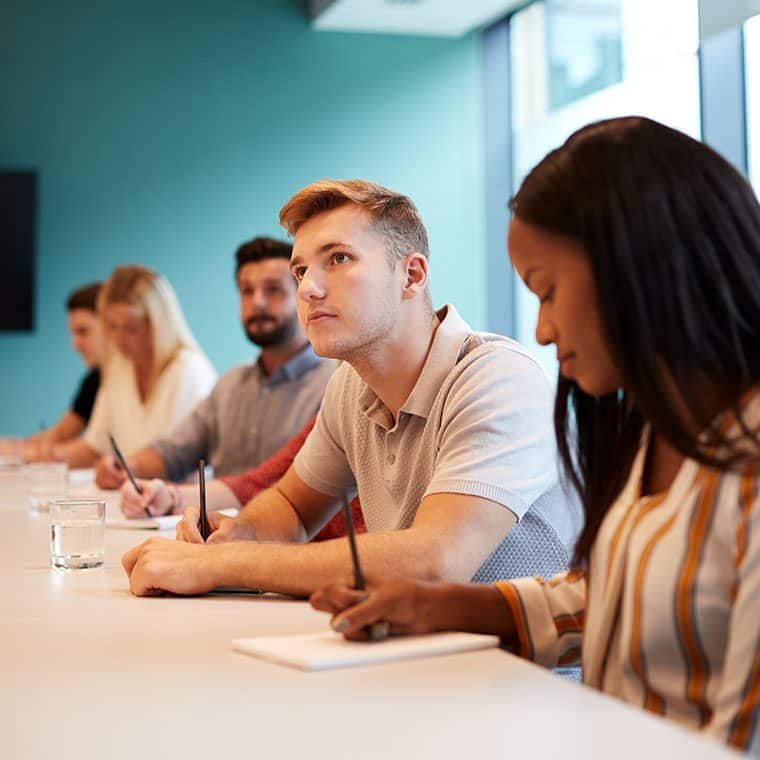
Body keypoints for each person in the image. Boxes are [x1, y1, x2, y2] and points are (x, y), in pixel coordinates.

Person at [309, 119, 760, 754]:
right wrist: (442, 608)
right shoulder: (660, 432)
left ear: (639, 269)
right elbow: (618, 593)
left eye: (548, 292)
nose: (544, 331)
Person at [122, 179, 580, 598]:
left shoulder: (497, 378)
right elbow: (293, 507)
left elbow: (436, 563)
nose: (308, 289)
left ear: (412, 275)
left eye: (338, 259)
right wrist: (238, 535)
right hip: (414, 660)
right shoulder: (351, 386)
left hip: (521, 678)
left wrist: (224, 563)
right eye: (300, 270)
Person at [96, 237, 334, 489]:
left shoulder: (332, 385)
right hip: (217, 524)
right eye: (247, 291)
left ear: (303, 294)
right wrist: (127, 469)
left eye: (273, 289)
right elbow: (174, 451)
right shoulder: (231, 384)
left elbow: (313, 488)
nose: (257, 302)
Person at [55, 265, 217, 468]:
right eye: (112, 327)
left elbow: (178, 461)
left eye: (131, 329)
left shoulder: (188, 372)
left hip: (178, 497)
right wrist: (37, 457)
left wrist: (123, 470)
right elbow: (93, 448)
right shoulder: (119, 368)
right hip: (131, 493)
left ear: (157, 326)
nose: (119, 340)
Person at [121, 416, 366, 540]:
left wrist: (238, 561)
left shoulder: (329, 380)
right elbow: (260, 484)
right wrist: (170, 497)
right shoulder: (344, 393)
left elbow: (396, 556)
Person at [24, 282, 103, 461]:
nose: (75, 345)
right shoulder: (95, 380)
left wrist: (20, 454)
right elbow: (59, 435)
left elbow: (91, 452)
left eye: (83, 332)